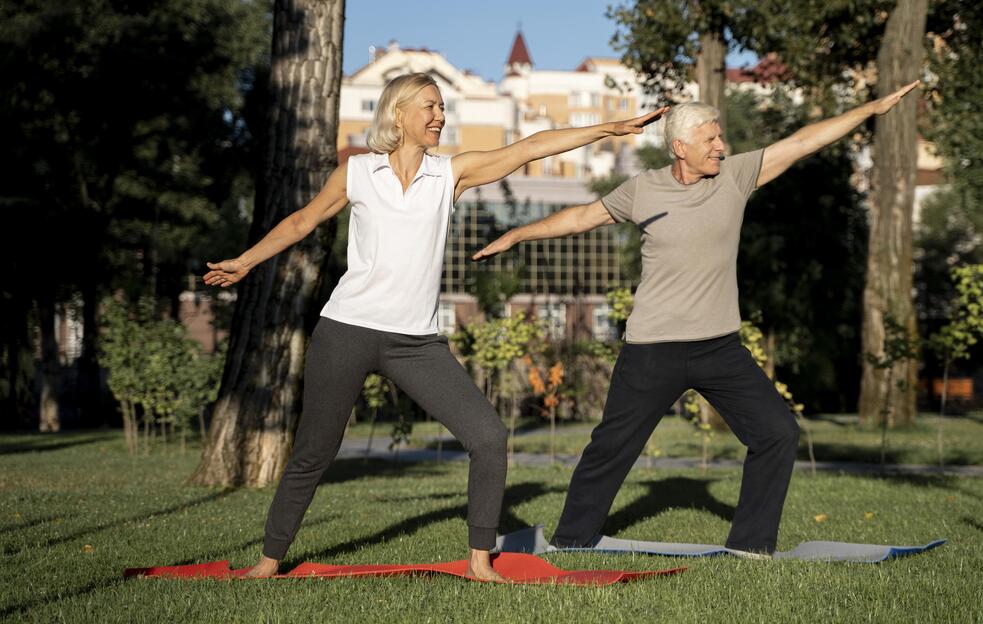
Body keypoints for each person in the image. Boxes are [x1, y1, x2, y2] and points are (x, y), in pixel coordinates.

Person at [204, 72, 666, 579]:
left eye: (443, 108)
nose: (439, 116)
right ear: (397, 112)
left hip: (416, 343)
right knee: (314, 451)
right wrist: (246, 261)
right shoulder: (357, 172)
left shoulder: (450, 174)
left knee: (488, 436)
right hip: (346, 330)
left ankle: (479, 561)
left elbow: (530, 147)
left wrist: (608, 129)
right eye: (429, 106)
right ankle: (268, 562)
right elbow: (301, 223)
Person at [473, 81, 920, 556]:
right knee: (611, 447)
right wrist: (517, 234)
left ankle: (750, 544)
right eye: (711, 140)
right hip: (652, 347)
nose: (722, 147)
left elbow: (804, 141)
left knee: (777, 432)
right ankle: (572, 539)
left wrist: (870, 108)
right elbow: (583, 216)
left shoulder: (735, 176)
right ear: (679, 147)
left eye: (721, 137)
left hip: (719, 347)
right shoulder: (643, 189)